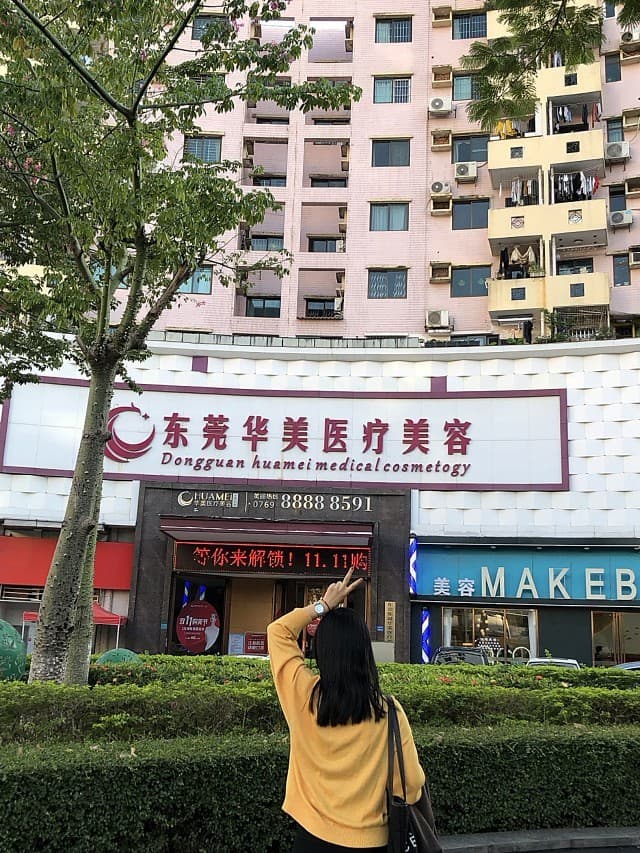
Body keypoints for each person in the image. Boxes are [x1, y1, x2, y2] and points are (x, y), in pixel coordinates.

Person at [267, 568, 426, 852]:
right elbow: (410, 786)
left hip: (312, 839)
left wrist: (322, 605)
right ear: (365, 652)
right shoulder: (389, 711)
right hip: (371, 842)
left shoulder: (302, 695)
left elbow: (277, 631)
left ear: (321, 651)